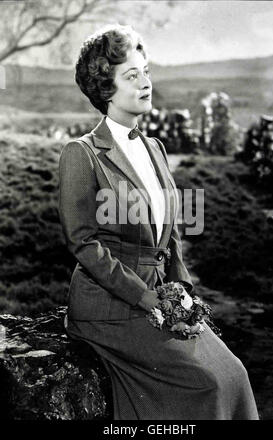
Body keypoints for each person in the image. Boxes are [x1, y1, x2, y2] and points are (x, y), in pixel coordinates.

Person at [58, 24, 259, 420]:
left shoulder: (156, 148)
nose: (146, 82)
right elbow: (83, 244)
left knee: (233, 372)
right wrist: (147, 298)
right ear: (105, 88)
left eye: (146, 70)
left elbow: (172, 233)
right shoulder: (82, 154)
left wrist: (181, 290)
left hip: (158, 295)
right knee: (207, 381)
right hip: (110, 308)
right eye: (131, 75)